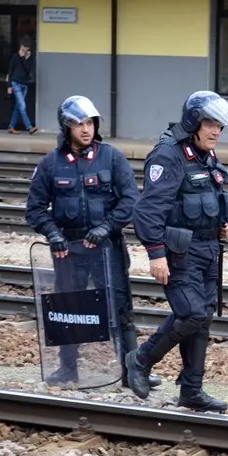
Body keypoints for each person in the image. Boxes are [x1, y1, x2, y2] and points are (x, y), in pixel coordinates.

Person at [25, 94, 160, 389]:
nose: (85, 129)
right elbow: (34, 210)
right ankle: (67, 370)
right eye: (78, 124)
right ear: (66, 127)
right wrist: (53, 233)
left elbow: (131, 200)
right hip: (68, 251)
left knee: (120, 309)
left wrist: (107, 227)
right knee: (68, 307)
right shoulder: (50, 164)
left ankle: (131, 371)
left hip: (106, 249)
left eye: (89, 123)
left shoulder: (112, 157)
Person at [124, 90, 228, 413]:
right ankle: (141, 359)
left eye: (220, 125)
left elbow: (207, 196)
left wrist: (222, 224)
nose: (216, 131)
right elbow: (148, 211)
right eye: (210, 123)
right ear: (193, 122)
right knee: (192, 313)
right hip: (180, 253)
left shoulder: (206, 154)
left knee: (201, 321)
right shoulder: (168, 155)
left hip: (208, 249)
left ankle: (192, 390)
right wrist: (155, 254)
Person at [6, 41, 37, 135]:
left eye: (27, 47)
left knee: (18, 107)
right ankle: (29, 127)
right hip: (15, 83)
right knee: (22, 106)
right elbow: (10, 71)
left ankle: (11, 127)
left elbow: (28, 69)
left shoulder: (30, 58)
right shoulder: (15, 56)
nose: (24, 49)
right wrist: (9, 85)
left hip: (25, 84)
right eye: (23, 47)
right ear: (20, 47)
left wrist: (24, 57)